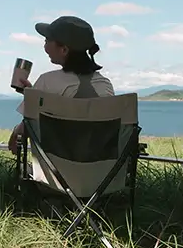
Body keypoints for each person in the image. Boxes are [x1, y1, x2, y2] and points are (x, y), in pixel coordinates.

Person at [7, 15, 114, 154]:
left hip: (54, 166)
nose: (44, 46)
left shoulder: (47, 81)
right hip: (104, 167)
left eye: (47, 41)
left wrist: (16, 131)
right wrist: (34, 95)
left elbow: (25, 129)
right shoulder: (105, 85)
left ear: (64, 49)